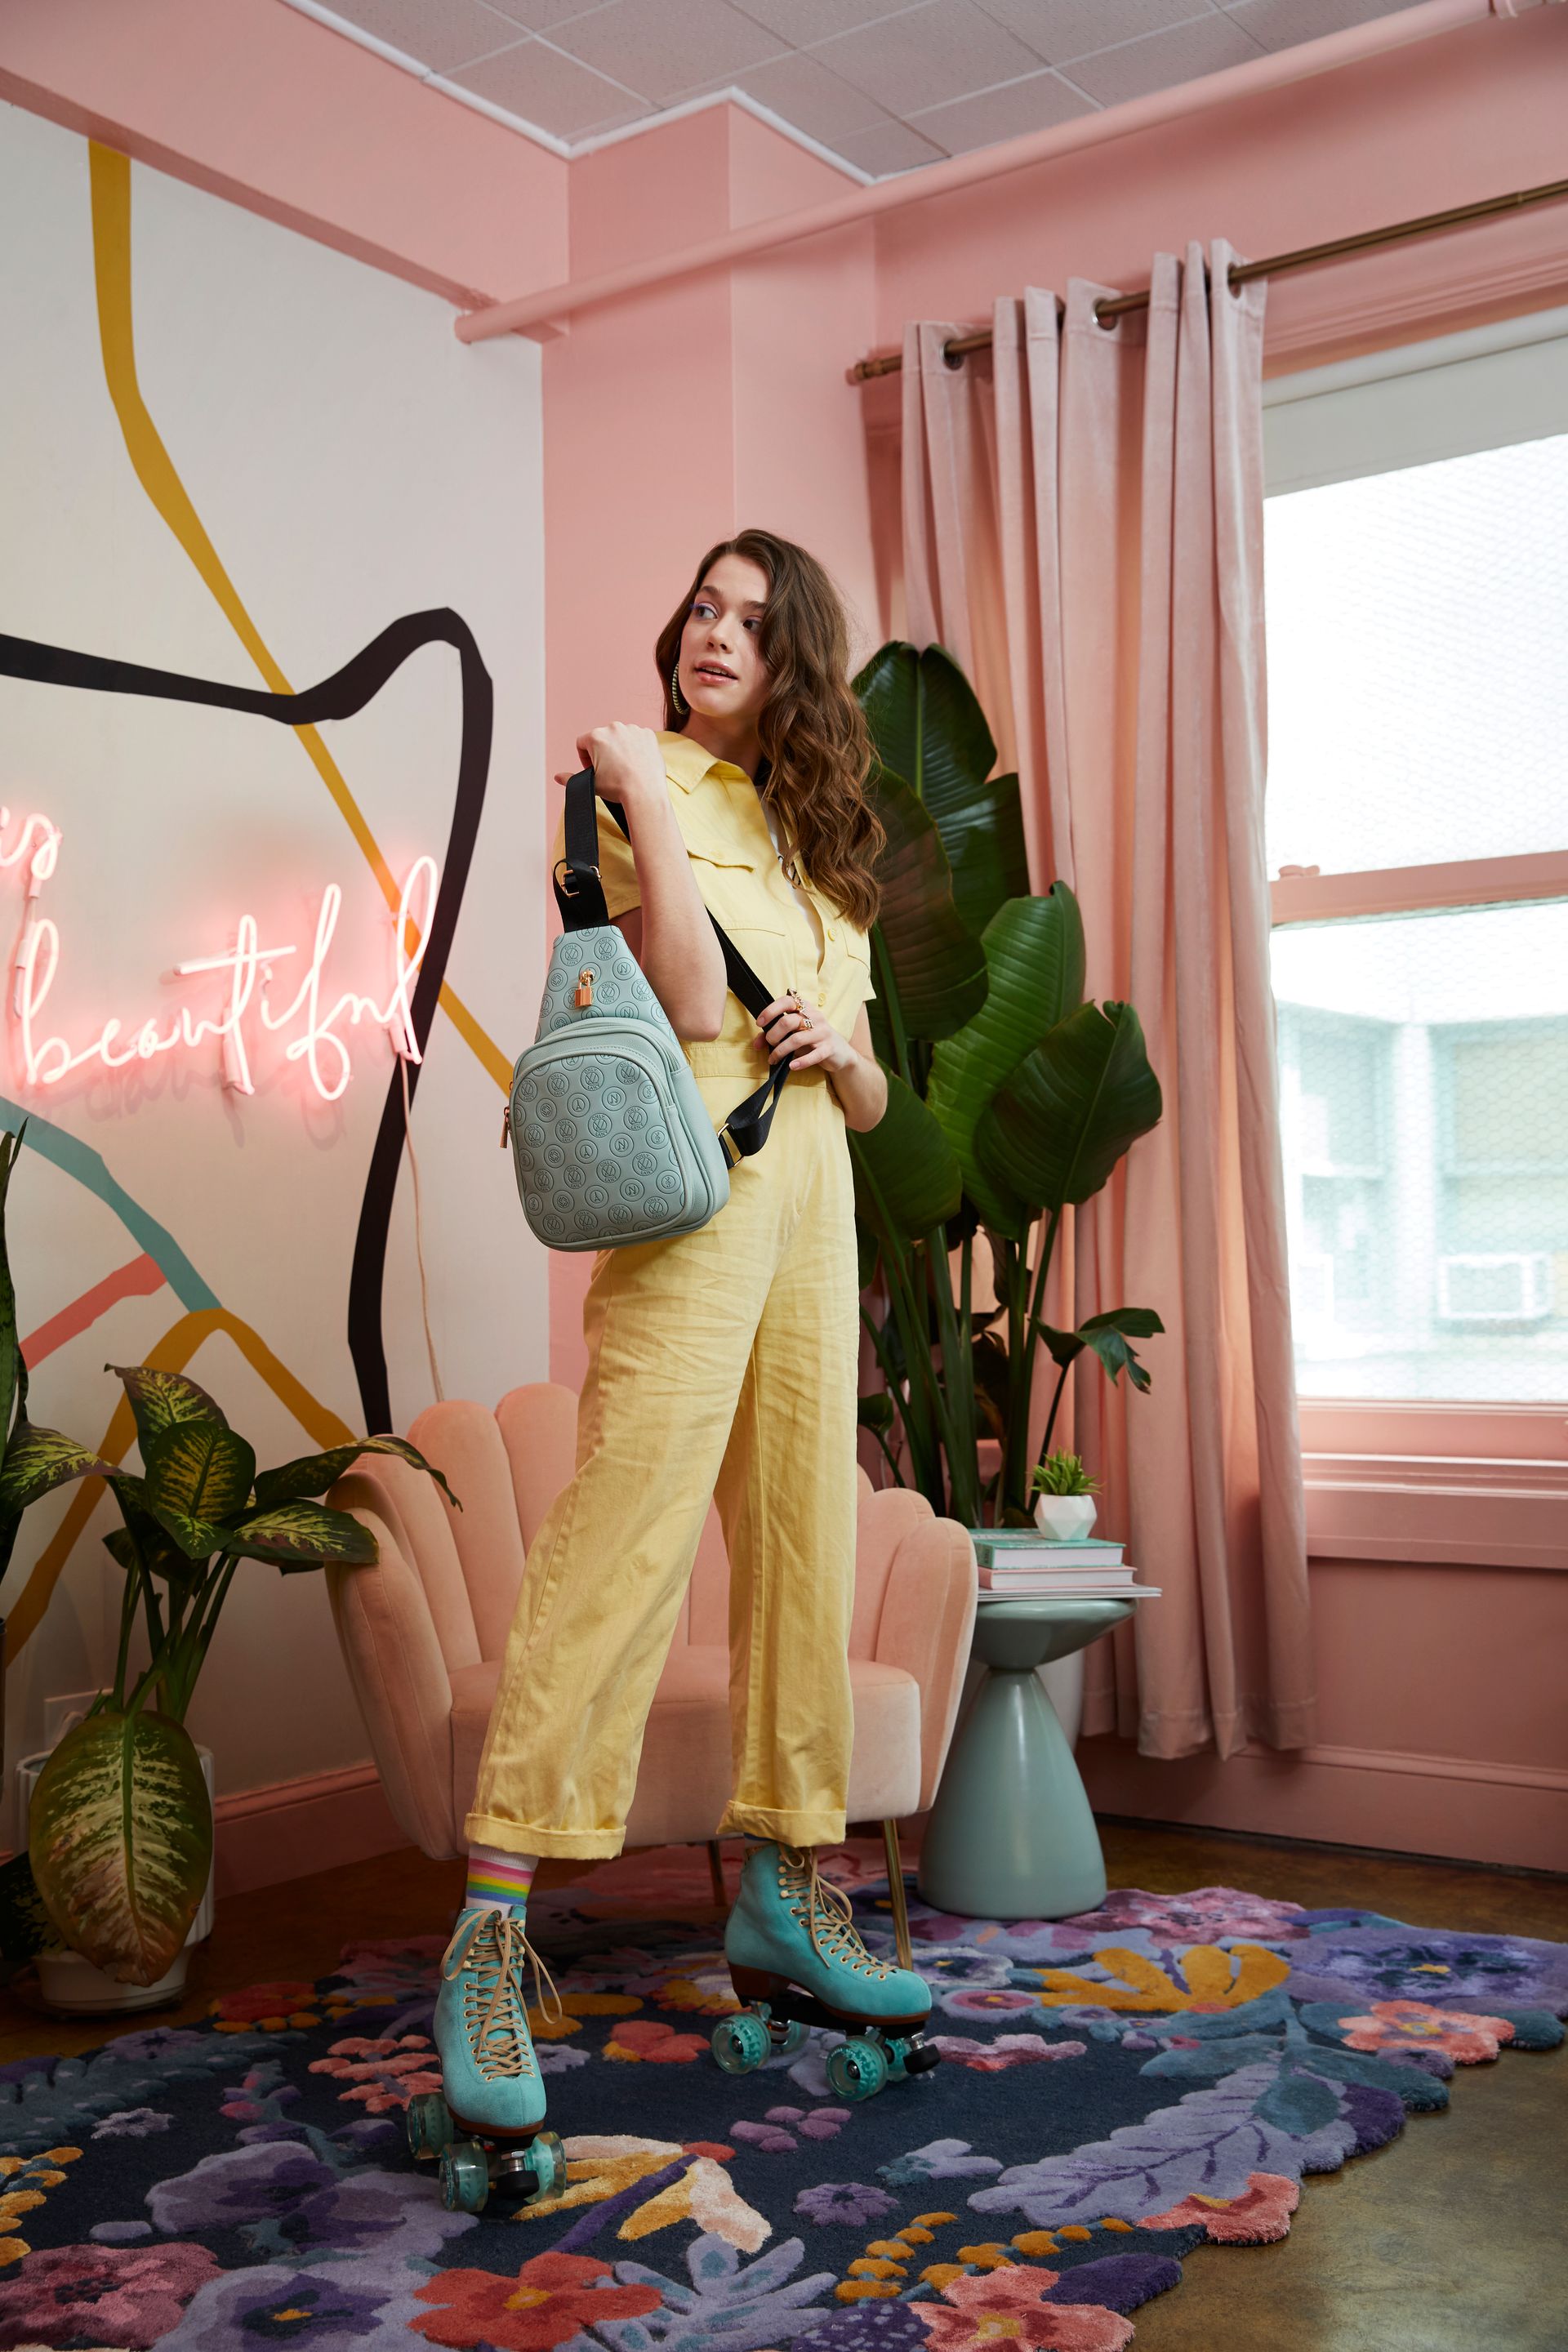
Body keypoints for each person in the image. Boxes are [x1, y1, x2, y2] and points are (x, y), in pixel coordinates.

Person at [431, 529, 933, 2176]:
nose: (716, 630)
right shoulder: (626, 792)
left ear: (798, 659)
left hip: (818, 1209)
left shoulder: (823, 847)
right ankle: (492, 1932)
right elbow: (687, 1008)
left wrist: (842, 1049)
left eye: (751, 616)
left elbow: (863, 1090)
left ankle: (791, 1887)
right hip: (694, 1204)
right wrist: (641, 783)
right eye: (701, 608)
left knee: (805, 1534)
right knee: (625, 1534)